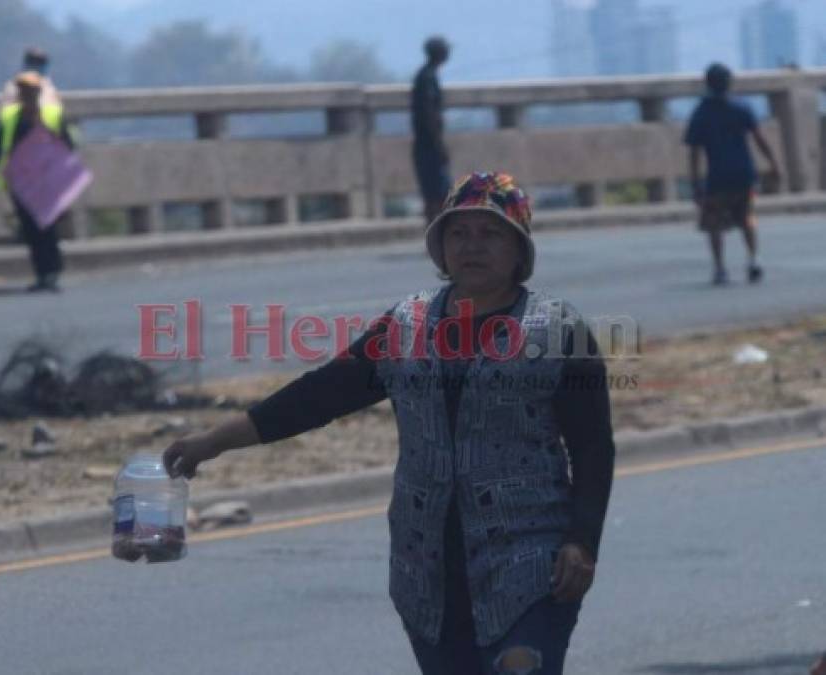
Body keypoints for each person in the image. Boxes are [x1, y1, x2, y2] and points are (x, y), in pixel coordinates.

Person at [163, 171, 616, 674]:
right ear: (439, 248)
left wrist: (582, 540)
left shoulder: (557, 329)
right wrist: (213, 441)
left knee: (521, 665)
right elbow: (319, 395)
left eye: (491, 233)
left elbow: (594, 447)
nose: (472, 246)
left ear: (519, 250)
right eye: (458, 233)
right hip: (429, 562)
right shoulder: (407, 325)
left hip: (532, 554)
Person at [684, 63, 780, 285]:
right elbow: (759, 139)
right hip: (743, 174)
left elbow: (694, 153)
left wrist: (695, 184)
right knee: (747, 218)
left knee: (714, 225)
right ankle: (754, 260)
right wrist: (774, 164)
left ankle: (720, 268)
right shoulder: (742, 107)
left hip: (717, 177)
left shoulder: (702, 112)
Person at [0, 71, 73, 292]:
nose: (26, 94)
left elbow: (68, 146)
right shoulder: (11, 117)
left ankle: (52, 271)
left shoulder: (51, 115)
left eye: (30, 90)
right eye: (22, 90)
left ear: (38, 92)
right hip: (20, 182)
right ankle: (42, 273)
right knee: (31, 230)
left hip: (45, 181)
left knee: (47, 228)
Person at [411, 36, 452, 225]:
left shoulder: (427, 75)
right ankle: (436, 231)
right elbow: (429, 114)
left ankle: (435, 231)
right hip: (428, 145)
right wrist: (439, 144)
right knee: (437, 193)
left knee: (435, 192)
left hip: (425, 144)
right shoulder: (427, 77)